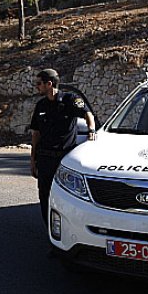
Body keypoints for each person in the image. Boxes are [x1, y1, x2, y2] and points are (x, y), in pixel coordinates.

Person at [30, 69, 96, 224]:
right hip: (45, 159)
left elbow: (88, 114)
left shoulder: (70, 99)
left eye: (39, 83)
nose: (36, 87)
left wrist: (91, 130)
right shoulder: (40, 105)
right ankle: (49, 230)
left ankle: (68, 228)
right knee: (44, 196)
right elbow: (36, 135)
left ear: (49, 84)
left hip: (64, 158)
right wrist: (32, 160)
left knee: (68, 196)